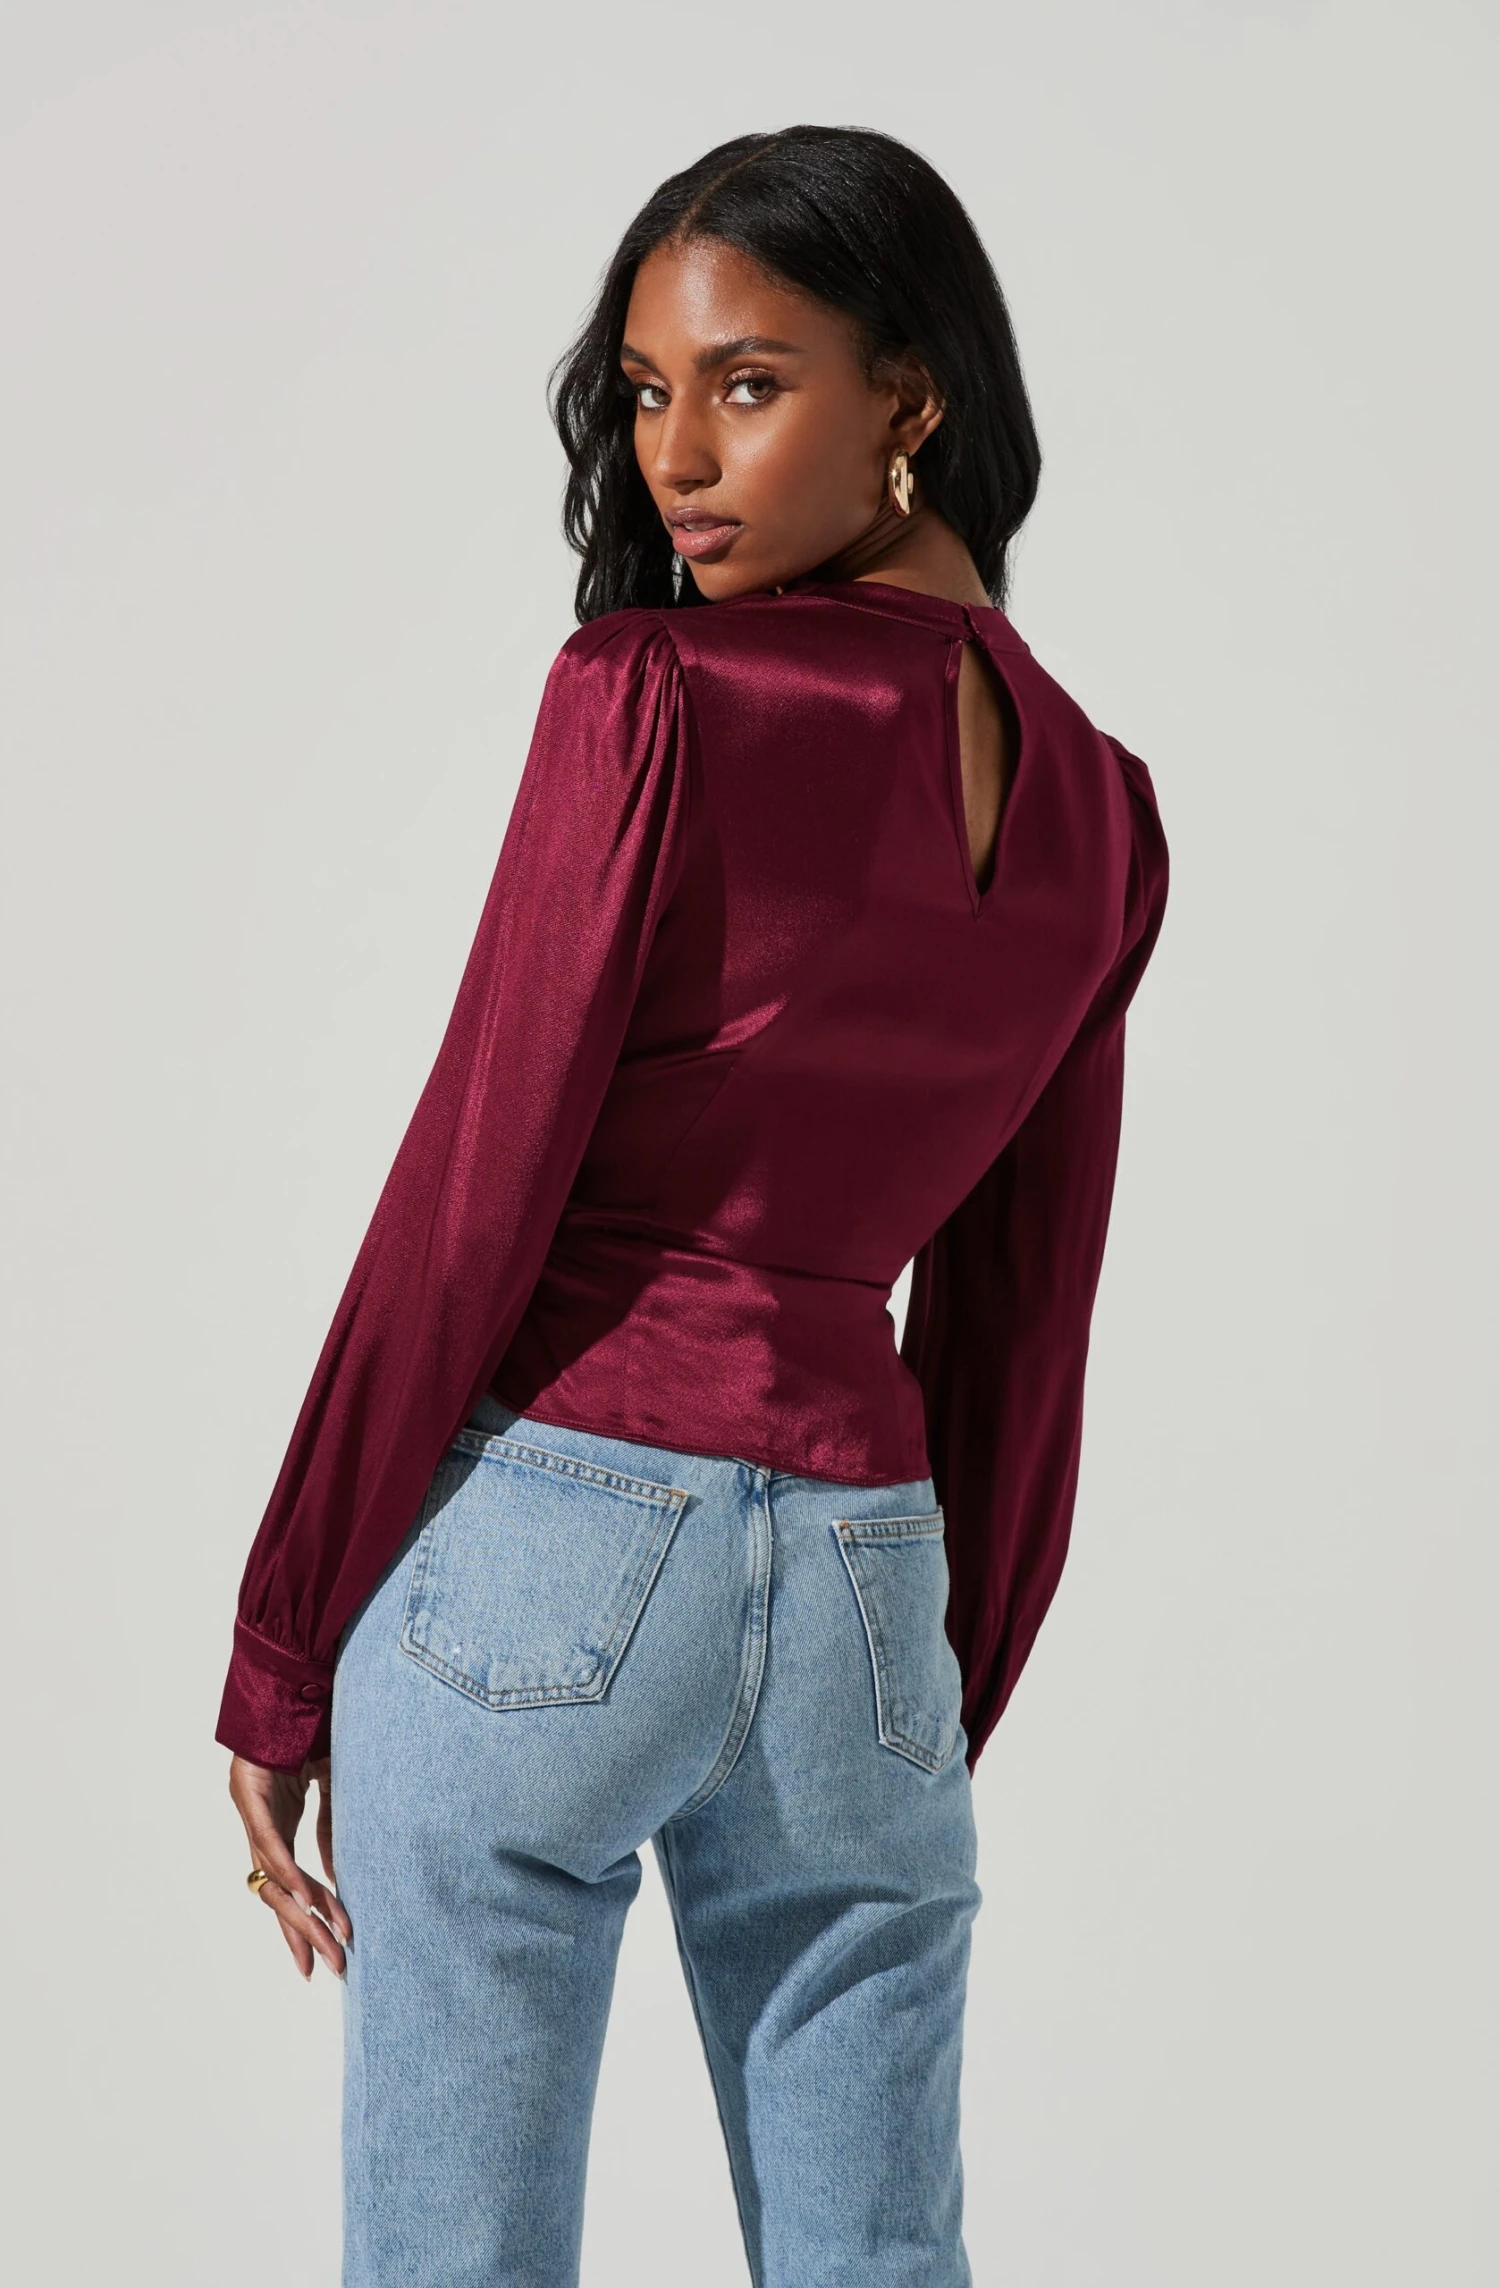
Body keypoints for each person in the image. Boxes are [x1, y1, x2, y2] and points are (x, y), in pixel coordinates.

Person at [219, 124, 1169, 2288]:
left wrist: (282, 1644)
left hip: (549, 1538)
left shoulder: (649, 697)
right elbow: (1025, 1313)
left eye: (750, 382)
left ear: (911, 395)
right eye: (649, 392)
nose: (676, 457)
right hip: (870, 1571)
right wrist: (930, 1692)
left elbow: (473, 1191)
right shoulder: (1110, 814)